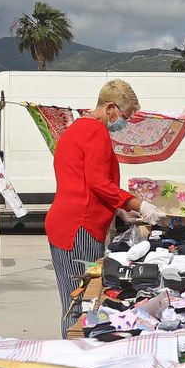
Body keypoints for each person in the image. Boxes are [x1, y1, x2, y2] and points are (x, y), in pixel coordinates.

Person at [46, 79, 167, 334]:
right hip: (78, 227)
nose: (125, 121)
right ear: (110, 107)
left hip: (70, 223)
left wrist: (118, 209)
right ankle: (76, 358)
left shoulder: (80, 128)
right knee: (80, 301)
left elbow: (84, 180)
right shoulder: (95, 131)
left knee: (75, 299)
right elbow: (98, 181)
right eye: (126, 115)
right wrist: (139, 204)